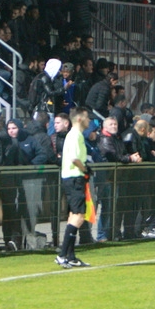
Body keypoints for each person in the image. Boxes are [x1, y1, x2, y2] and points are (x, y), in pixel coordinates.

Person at [55, 108, 92, 268]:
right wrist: (85, 169)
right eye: (87, 117)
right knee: (79, 216)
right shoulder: (76, 135)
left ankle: (70, 256)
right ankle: (63, 254)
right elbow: (75, 158)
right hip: (75, 178)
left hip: (70, 178)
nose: (89, 120)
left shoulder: (73, 135)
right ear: (79, 119)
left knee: (73, 216)